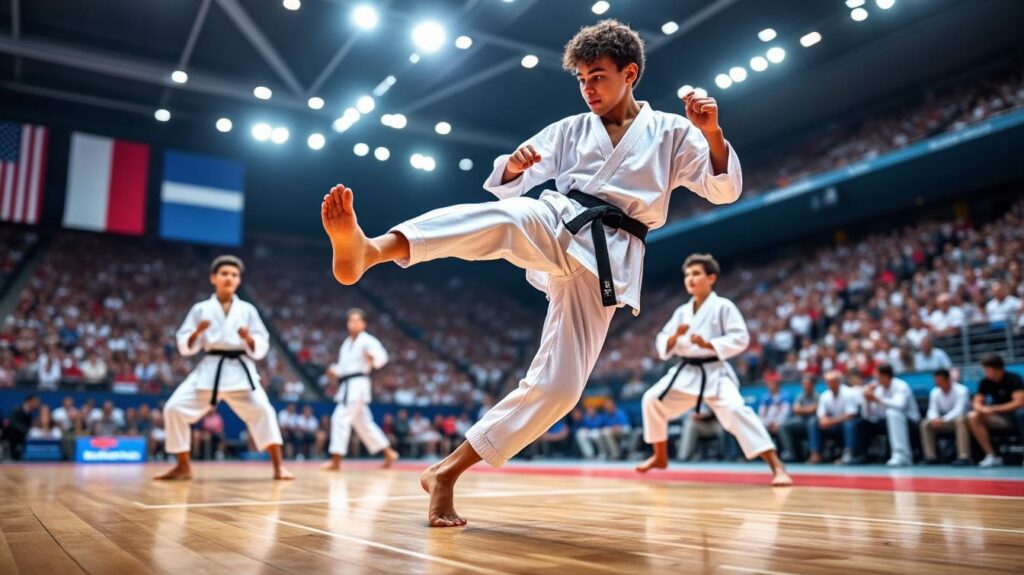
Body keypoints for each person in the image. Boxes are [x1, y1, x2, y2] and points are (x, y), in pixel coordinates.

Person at [320, 20, 743, 526]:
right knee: (505, 217)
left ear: (630, 74)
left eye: (598, 76)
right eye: (582, 79)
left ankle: (446, 473)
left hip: (609, 259)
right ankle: (374, 249)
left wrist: (712, 133)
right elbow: (505, 179)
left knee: (561, 388)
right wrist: (518, 169)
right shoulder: (570, 129)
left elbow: (723, 188)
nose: (588, 88)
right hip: (560, 220)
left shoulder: (673, 132)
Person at [636, 254, 791, 485]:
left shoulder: (723, 307)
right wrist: (674, 337)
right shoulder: (681, 312)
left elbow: (741, 338)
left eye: (696, 273)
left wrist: (709, 345)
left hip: (714, 372)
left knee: (737, 410)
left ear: (711, 278)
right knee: (651, 400)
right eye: (687, 274)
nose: (690, 278)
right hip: (686, 372)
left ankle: (777, 466)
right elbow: (663, 339)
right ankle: (660, 456)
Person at [155, 256, 292, 480]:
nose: (229, 278)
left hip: (240, 371)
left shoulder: (247, 310)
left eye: (234, 275)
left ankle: (278, 467)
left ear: (239, 280)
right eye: (224, 274)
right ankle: (183, 466)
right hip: (211, 368)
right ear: (213, 278)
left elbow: (262, 344)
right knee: (174, 408)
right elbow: (185, 345)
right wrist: (197, 332)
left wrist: (248, 338)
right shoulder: (201, 309)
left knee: (264, 411)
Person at [323, 309, 398, 471]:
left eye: (357, 321)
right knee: (364, 424)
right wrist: (334, 371)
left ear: (364, 324)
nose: (353, 323)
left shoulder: (368, 340)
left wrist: (373, 358)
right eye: (351, 320)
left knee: (339, 418)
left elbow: (382, 356)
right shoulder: (346, 343)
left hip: (357, 385)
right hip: (348, 384)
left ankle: (336, 459)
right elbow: (344, 368)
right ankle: (388, 452)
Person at [967, 354, 1024, 467]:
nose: (985, 372)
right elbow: (977, 401)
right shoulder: (985, 382)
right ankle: (991, 456)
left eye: (987, 369)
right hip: (999, 417)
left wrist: (994, 408)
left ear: (997, 369)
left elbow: (1019, 402)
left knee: (1022, 414)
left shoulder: (1014, 378)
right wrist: (981, 409)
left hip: (1014, 415)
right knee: (973, 416)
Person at [862, 364, 920, 467]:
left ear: (885, 376)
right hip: (886, 420)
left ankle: (902, 455)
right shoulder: (877, 389)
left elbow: (899, 406)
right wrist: (867, 401)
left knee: (893, 413)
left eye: (877, 377)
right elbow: (868, 416)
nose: (875, 380)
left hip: (909, 419)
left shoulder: (901, 385)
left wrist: (876, 399)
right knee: (865, 423)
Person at [808, 371, 861, 464]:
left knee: (849, 424)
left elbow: (851, 414)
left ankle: (849, 454)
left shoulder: (849, 393)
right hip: (832, 425)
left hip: (846, 425)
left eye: (832, 381)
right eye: (827, 382)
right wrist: (823, 420)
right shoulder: (825, 395)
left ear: (838, 381)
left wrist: (831, 421)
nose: (830, 384)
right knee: (813, 422)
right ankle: (815, 453)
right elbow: (821, 414)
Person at [920, 368, 971, 465]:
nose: (937, 383)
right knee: (925, 424)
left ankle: (964, 456)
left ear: (947, 379)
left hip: (960, 421)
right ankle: (930, 456)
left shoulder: (962, 390)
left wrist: (943, 419)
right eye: (936, 380)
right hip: (942, 422)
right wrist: (934, 419)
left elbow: (959, 410)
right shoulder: (934, 392)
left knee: (960, 420)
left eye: (939, 380)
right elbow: (932, 409)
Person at [778, 375, 817, 462]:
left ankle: (814, 454)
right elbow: (795, 409)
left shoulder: (818, 396)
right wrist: (807, 410)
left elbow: (814, 409)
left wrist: (802, 410)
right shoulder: (800, 396)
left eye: (807, 384)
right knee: (783, 426)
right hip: (801, 422)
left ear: (813, 385)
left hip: (813, 424)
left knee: (812, 423)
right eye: (803, 384)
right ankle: (789, 453)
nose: (805, 386)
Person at [4, 394, 40, 460]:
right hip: (12, 434)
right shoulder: (17, 409)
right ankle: (11, 456)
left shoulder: (30, 413)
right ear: (29, 401)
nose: (38, 403)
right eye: (36, 401)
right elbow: (13, 423)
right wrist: (27, 430)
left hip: (21, 435)